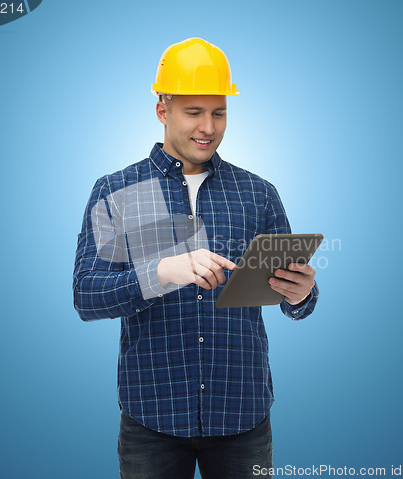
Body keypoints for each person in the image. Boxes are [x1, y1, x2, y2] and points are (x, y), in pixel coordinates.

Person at [73, 37, 319, 479]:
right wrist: (159, 273)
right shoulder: (116, 191)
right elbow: (87, 297)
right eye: (193, 112)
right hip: (152, 419)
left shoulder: (257, 193)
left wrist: (301, 294)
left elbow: (294, 299)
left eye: (219, 112)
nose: (208, 127)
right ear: (162, 110)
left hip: (243, 416)